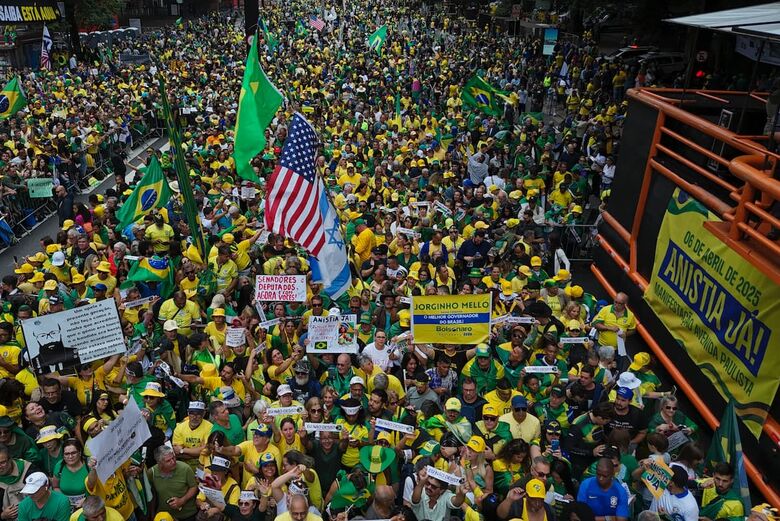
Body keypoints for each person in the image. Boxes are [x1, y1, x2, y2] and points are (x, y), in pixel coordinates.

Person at [147, 445, 199, 520]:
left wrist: (182, 500)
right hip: (165, 516)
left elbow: (194, 487)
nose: (173, 461)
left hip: (187, 515)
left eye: (173, 457)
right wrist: (152, 514)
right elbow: (151, 494)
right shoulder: (152, 473)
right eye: (168, 460)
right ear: (160, 463)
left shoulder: (185, 468)